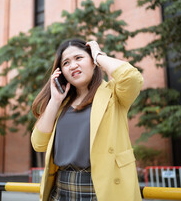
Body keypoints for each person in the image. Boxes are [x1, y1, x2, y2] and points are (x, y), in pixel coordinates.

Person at [31, 38, 143, 201]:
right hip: (62, 189)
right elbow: (39, 144)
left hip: (103, 189)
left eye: (79, 58)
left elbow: (131, 77)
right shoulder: (60, 105)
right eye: (66, 63)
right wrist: (55, 101)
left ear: (92, 62)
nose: (73, 66)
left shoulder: (114, 95)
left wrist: (98, 55)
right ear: (61, 71)